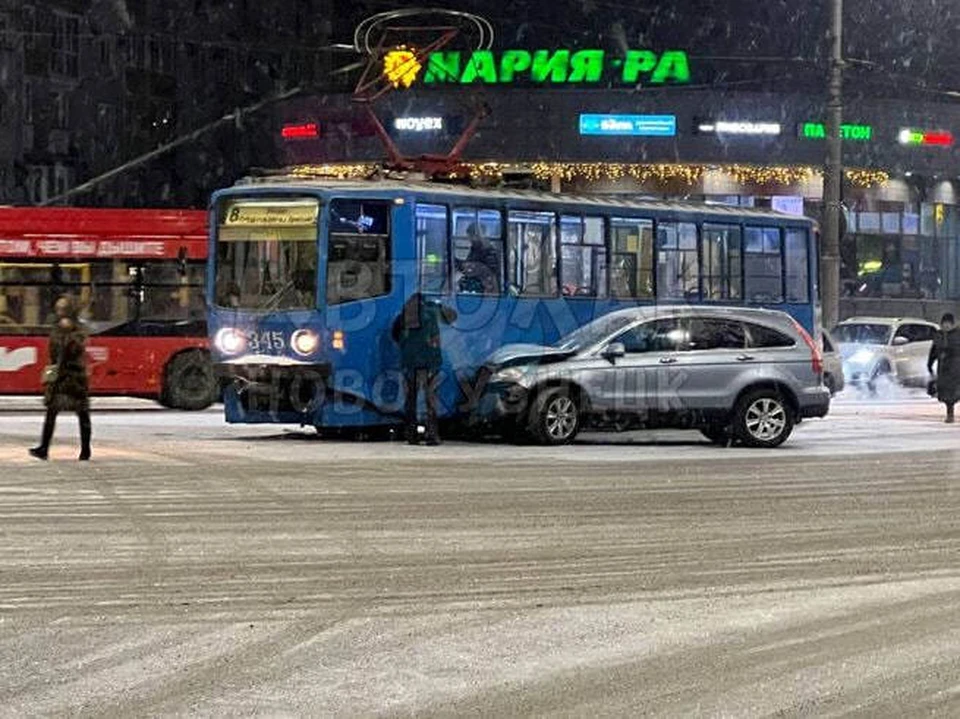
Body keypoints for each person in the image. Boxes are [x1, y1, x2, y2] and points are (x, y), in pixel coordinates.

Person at [29, 296, 92, 460]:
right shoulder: (57, 327)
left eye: (62, 308)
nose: (59, 312)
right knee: (52, 412)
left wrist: (67, 334)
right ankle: (44, 448)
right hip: (61, 377)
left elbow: (75, 349)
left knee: (82, 413)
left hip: (74, 377)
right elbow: (55, 352)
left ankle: (85, 449)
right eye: (58, 308)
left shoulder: (77, 329)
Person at [391, 292, 458, 445]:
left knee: (410, 400)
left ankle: (411, 434)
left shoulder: (403, 315)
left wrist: (407, 346)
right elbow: (453, 317)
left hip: (410, 363)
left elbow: (394, 334)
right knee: (430, 399)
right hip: (430, 362)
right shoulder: (433, 311)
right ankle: (432, 434)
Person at [928, 312, 960, 424]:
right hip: (943, 367)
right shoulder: (939, 335)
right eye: (944, 324)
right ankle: (949, 414)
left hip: (956, 367)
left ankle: (950, 415)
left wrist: (949, 352)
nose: (946, 326)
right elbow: (933, 350)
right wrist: (930, 364)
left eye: (948, 324)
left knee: (954, 391)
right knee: (947, 393)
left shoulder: (957, 334)